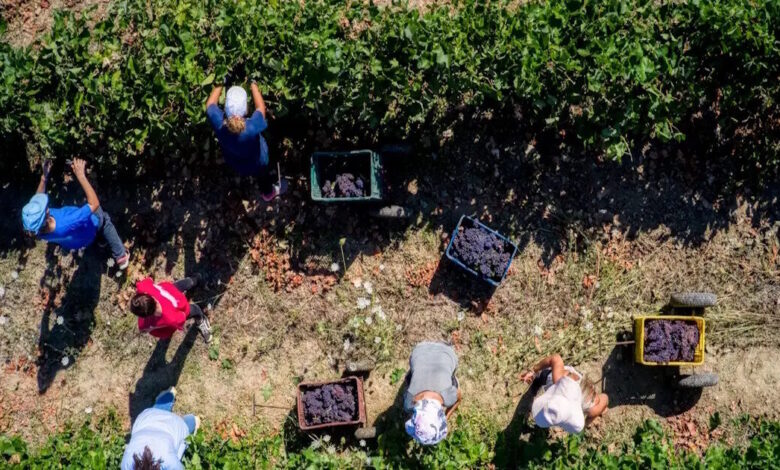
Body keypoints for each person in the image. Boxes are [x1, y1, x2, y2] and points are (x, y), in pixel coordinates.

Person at [21, 158, 130, 269]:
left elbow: (38, 197)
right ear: (45, 216)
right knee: (104, 220)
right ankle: (121, 256)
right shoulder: (68, 221)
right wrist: (81, 175)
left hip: (75, 242)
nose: (44, 203)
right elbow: (94, 204)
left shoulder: (36, 231)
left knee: (84, 233)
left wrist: (44, 177)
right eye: (44, 207)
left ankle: (100, 241)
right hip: (89, 229)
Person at [206, 74, 283, 201]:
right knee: (263, 175)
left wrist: (222, 80)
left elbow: (210, 104)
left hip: (236, 163)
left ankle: (266, 192)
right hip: (259, 162)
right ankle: (269, 193)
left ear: (225, 107)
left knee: (258, 174)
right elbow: (261, 108)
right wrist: (253, 84)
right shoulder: (251, 128)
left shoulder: (219, 123)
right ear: (246, 109)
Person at [519, 354, 608, 433]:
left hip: (573, 378)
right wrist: (534, 370)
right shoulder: (559, 379)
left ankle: (538, 381)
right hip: (554, 376)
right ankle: (538, 380)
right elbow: (555, 358)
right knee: (543, 376)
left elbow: (605, 399)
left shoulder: (593, 406)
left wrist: (587, 423)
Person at [121, 387, 200, 470]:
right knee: (158, 412)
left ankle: (193, 420)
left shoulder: (168, 461)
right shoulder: (126, 464)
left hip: (174, 426)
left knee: (190, 424)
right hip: (148, 418)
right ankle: (168, 396)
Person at [402, 342, 462, 446]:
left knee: (451, 380)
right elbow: (459, 398)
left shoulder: (448, 397)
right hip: (419, 350)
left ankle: (450, 376)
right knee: (410, 377)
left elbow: (459, 397)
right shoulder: (409, 402)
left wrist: (446, 417)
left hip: (446, 351)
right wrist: (446, 416)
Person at [130, 275, 212, 343]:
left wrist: (154, 327)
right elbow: (149, 280)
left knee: (193, 309)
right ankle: (196, 279)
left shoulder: (168, 319)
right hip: (170, 291)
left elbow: (182, 317)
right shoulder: (142, 288)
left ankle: (200, 318)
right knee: (186, 285)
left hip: (177, 301)